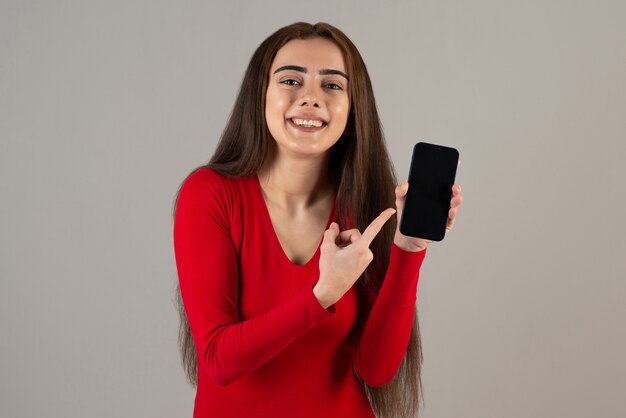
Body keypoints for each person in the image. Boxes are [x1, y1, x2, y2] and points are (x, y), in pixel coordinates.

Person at [173, 22, 463, 418]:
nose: (310, 98)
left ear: (352, 108)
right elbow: (218, 359)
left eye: (332, 85)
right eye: (291, 80)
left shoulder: (365, 206)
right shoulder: (210, 194)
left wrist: (408, 249)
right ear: (260, 96)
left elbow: (375, 371)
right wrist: (322, 295)